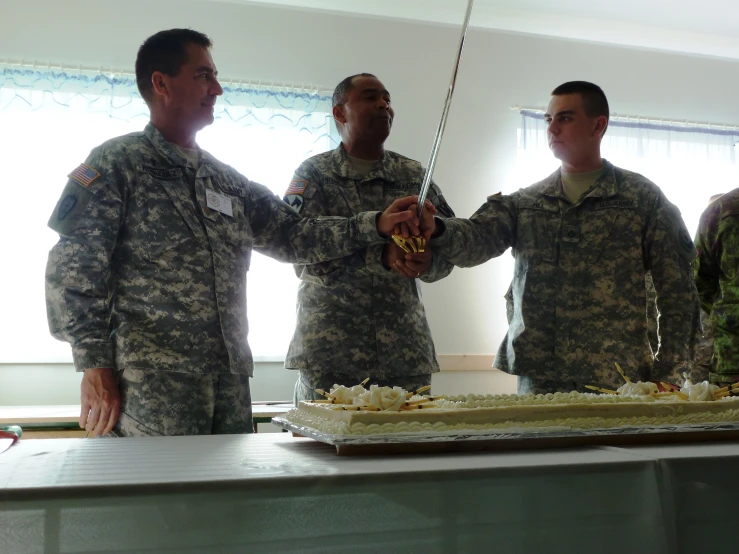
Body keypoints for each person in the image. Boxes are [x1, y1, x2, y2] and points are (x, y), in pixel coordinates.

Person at [45, 30, 423, 437]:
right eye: (203, 75)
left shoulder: (226, 181)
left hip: (229, 380)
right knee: (165, 498)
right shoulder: (118, 163)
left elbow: (296, 236)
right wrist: (94, 365)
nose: (217, 88)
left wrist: (375, 225)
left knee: (232, 498)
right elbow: (74, 271)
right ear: (161, 83)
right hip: (153, 381)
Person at [422, 81, 700, 394]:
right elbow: (473, 241)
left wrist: (669, 375)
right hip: (541, 381)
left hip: (619, 381)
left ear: (598, 125)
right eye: (548, 120)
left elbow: (680, 295)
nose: (552, 128)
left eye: (565, 118)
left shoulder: (643, 200)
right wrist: (437, 227)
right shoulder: (527, 202)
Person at [284, 73, 455, 402]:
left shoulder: (414, 176)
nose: (383, 105)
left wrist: (427, 263)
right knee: (323, 452)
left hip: (403, 353)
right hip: (331, 354)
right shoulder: (313, 174)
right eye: (369, 97)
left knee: (410, 449)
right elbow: (295, 246)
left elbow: (448, 247)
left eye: (387, 99)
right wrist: (378, 242)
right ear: (339, 112)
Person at [694, 190, 739, 386]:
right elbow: (701, 281)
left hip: (732, 355)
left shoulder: (722, 209)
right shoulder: (721, 211)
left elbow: (702, 283)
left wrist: (727, 316)